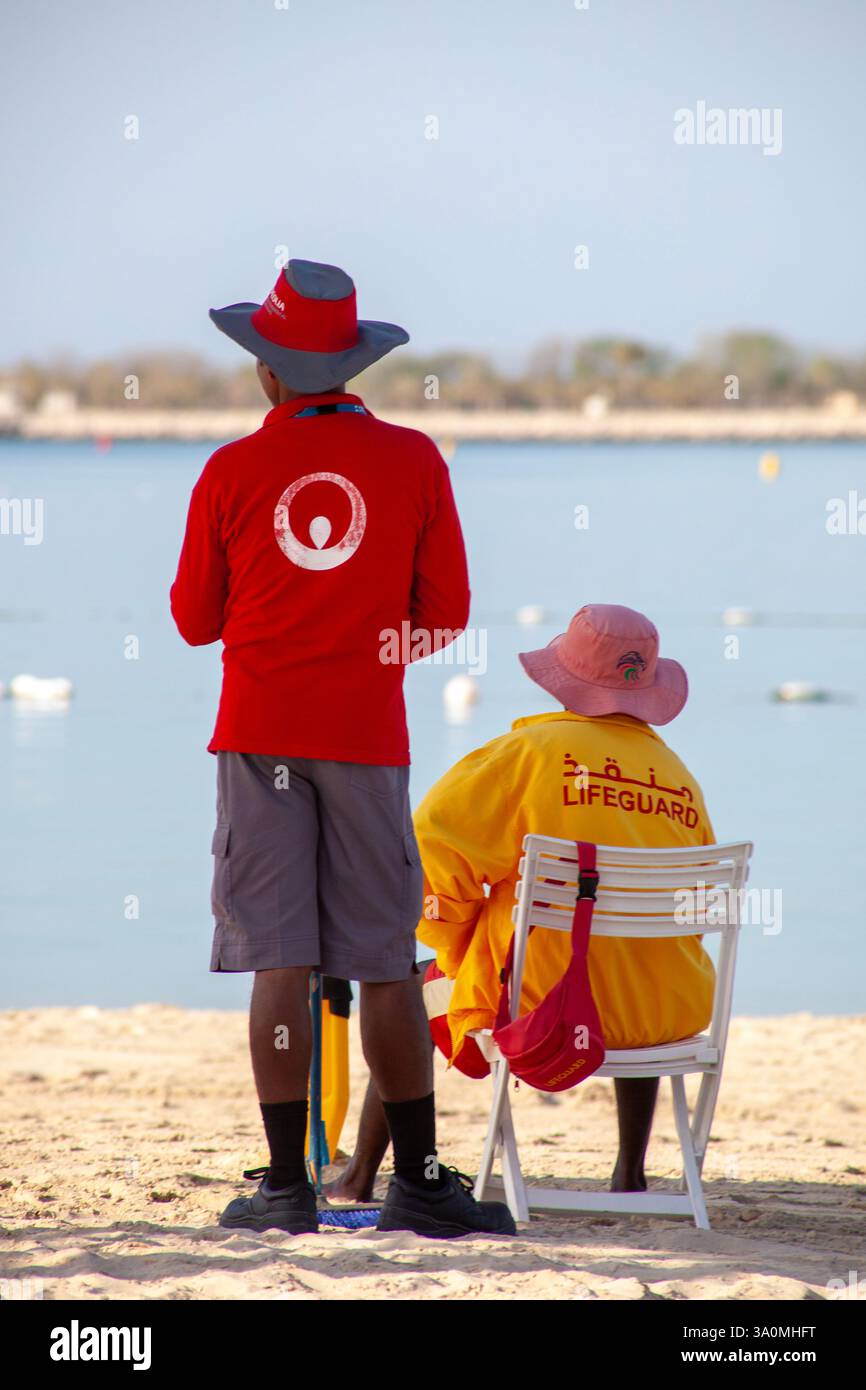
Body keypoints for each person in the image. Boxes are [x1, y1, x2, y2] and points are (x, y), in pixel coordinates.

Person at [170, 256, 515, 1238]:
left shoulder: (230, 471)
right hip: (366, 738)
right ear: (353, 371)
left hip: (259, 735)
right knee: (382, 960)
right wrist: (371, 651)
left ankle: (284, 1189)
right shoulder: (413, 462)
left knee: (278, 959)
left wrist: (277, 630)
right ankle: (415, 1180)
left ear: (265, 373)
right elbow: (443, 615)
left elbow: (196, 622)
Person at [329, 603, 717, 1201]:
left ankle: (359, 1176)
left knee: (405, 987)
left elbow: (424, 855)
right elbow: (691, 904)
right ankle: (630, 1173)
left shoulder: (526, 755)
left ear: (564, 678)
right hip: (662, 1013)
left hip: (542, 1006)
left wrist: (457, 939)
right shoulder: (679, 778)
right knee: (625, 952)